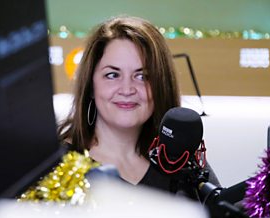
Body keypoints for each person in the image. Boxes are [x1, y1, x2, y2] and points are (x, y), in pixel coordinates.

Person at [20, 15, 220, 204]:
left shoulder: (182, 161)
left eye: (142, 76)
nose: (127, 89)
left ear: (161, 86)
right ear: (90, 85)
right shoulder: (54, 169)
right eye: (113, 75)